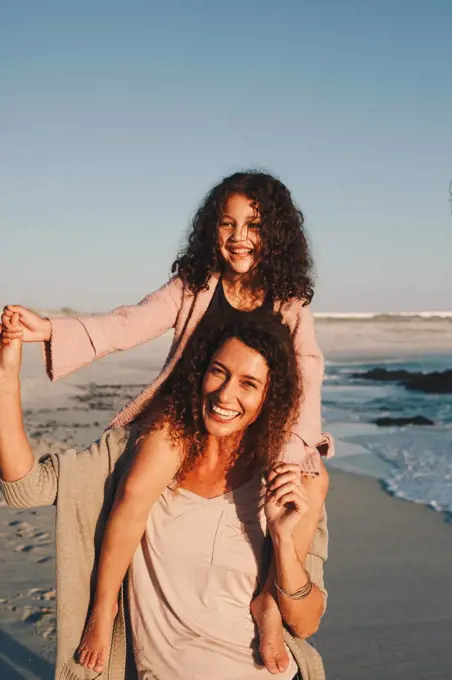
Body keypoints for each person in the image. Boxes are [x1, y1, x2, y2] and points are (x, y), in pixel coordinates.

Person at [1, 170, 333, 672]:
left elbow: (306, 377)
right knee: (134, 491)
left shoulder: (289, 304)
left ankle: (268, 601)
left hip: (262, 427)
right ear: (211, 229)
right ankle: (104, 603)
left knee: (309, 480)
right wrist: (48, 331)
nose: (239, 237)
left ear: (276, 234)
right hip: (183, 416)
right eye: (227, 224)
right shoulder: (195, 284)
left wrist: (290, 456)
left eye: (254, 225)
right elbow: (127, 324)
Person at [0, 312, 329, 680]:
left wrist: (283, 541)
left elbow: (305, 623)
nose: (225, 394)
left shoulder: (286, 478)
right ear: (201, 371)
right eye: (219, 371)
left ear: (270, 397)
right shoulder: (141, 453)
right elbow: (25, 487)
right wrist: (5, 376)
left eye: (248, 384)